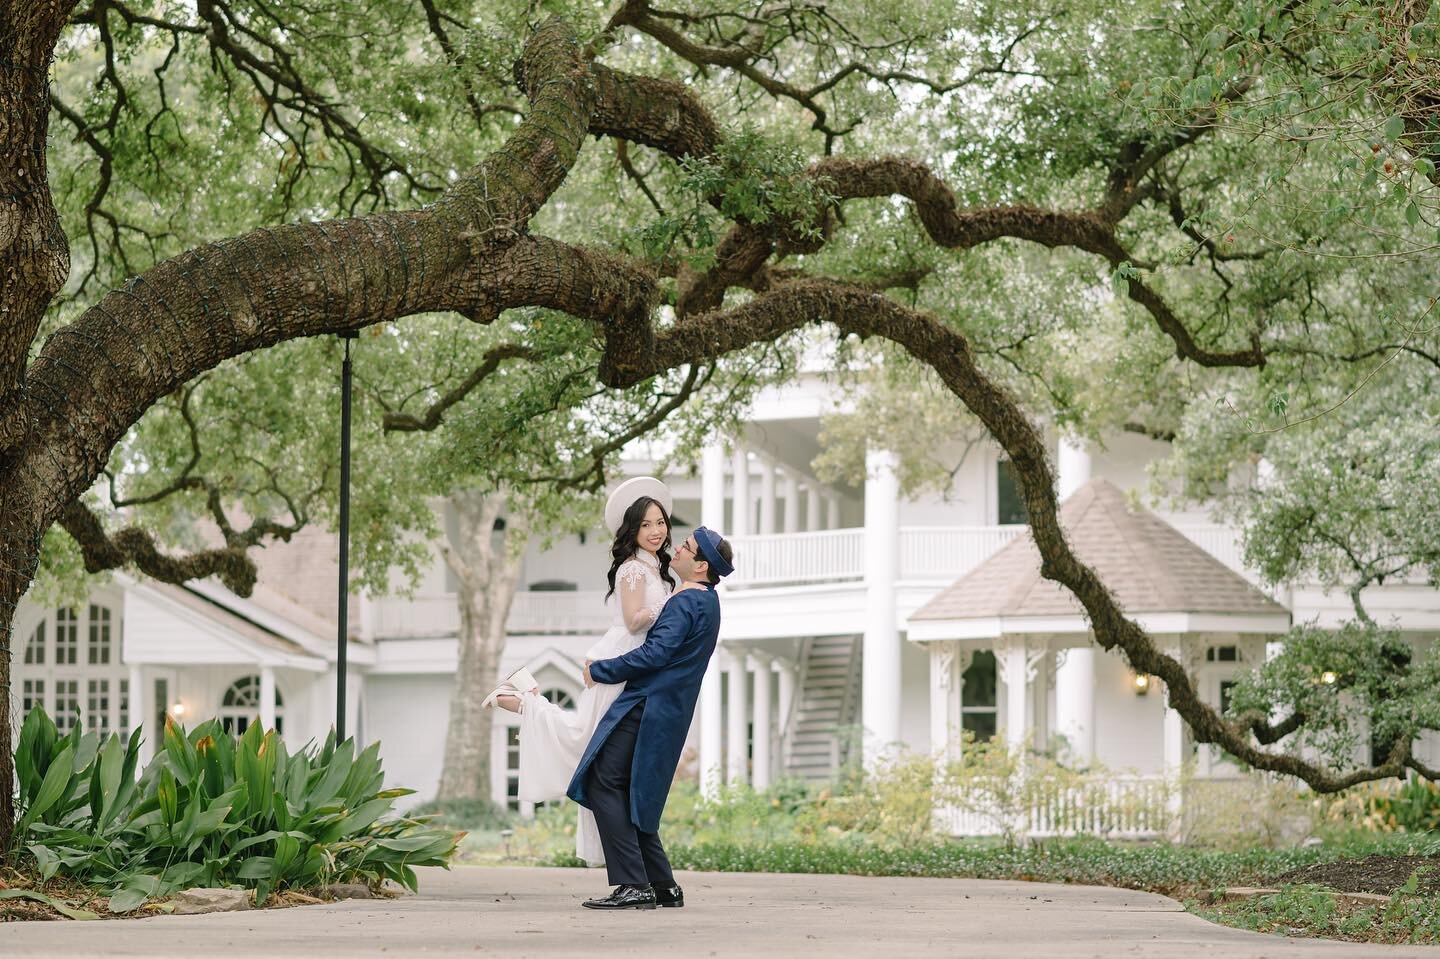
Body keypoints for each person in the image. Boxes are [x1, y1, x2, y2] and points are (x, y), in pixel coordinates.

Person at [480, 476, 677, 866]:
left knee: (592, 742)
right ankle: (522, 702)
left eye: (660, 523)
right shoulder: (632, 571)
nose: (656, 531)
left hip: (635, 661)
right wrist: (671, 606)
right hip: (621, 657)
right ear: (631, 531)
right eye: (645, 525)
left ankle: (526, 698)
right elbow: (634, 621)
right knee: (586, 738)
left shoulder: (655, 567)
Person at [567, 525, 734, 910]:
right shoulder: (706, 602)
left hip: (647, 706)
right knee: (632, 793)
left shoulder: (685, 603)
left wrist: (601, 669)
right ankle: (661, 885)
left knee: (601, 781)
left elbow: (654, 656)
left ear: (701, 565)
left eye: (687, 548)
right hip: (668, 711)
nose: (677, 549)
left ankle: (633, 885)